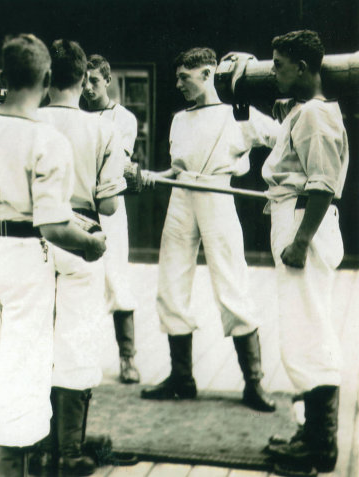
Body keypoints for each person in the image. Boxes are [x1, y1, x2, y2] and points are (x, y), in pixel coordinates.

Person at [0, 34, 107, 477]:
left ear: (1, 77)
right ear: (47, 79)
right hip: (22, 257)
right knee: (21, 372)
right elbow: (53, 226)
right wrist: (91, 244)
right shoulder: (47, 140)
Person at [139, 47, 277, 413]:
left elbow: (281, 139)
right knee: (171, 284)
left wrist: (277, 180)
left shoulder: (238, 114)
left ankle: (254, 383)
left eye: (185, 76)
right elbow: (176, 169)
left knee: (231, 283)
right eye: (177, 77)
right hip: (183, 196)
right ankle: (181, 379)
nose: (179, 84)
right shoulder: (179, 119)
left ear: (208, 73)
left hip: (217, 195)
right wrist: (153, 177)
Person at [32, 39, 126, 476]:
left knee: (30, 341)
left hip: (27, 238)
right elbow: (109, 206)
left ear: (48, 78)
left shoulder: (24, 123)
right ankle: (69, 453)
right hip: (82, 236)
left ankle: (32, 450)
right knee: (76, 342)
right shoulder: (102, 129)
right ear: (83, 78)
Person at [258, 30, 347, 475]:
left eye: (279, 64)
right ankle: (311, 435)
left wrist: (300, 241)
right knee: (300, 332)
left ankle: (320, 447)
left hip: (303, 231)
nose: (273, 71)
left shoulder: (315, 115)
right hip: (292, 222)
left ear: (304, 68)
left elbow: (322, 186)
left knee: (309, 334)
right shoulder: (303, 113)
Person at [80, 54, 142, 384]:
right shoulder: (71, 113)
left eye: (94, 81)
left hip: (109, 205)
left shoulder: (124, 118)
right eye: (83, 81)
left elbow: (118, 165)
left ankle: (128, 358)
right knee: (78, 279)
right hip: (76, 206)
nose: (88, 87)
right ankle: (80, 357)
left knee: (116, 276)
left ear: (107, 80)